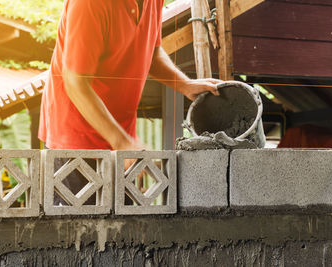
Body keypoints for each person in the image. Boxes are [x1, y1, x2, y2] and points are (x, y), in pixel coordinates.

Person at [38, 0, 220, 204]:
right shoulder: (89, 4)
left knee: (123, 229)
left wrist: (184, 85)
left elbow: (151, 49)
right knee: (78, 231)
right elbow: (76, 84)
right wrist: (122, 142)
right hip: (74, 141)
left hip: (120, 139)